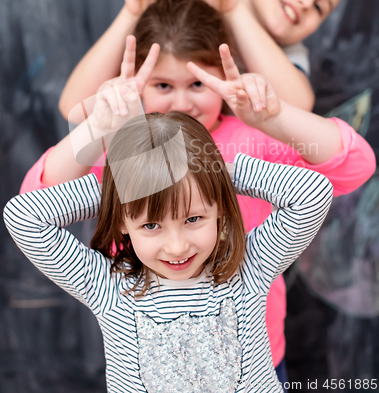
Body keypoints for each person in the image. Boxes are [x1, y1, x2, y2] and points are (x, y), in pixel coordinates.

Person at [20, 0, 376, 386]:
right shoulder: (125, 150)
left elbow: (354, 166)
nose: (183, 101)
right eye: (162, 85)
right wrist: (121, 175)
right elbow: (36, 202)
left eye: (196, 83)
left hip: (256, 355)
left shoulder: (253, 138)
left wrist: (247, 144)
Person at [6, 104, 336, 392]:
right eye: (151, 225)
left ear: (219, 206)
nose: (177, 246)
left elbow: (312, 194)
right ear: (124, 221)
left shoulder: (249, 267)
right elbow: (24, 217)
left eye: (193, 219)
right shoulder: (106, 285)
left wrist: (216, 177)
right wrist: (120, 191)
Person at [57, 0, 346, 118]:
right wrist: (134, 12)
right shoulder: (186, 22)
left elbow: (297, 106)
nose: (306, 2)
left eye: (320, 7)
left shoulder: (291, 56)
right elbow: (73, 107)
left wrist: (234, 9)